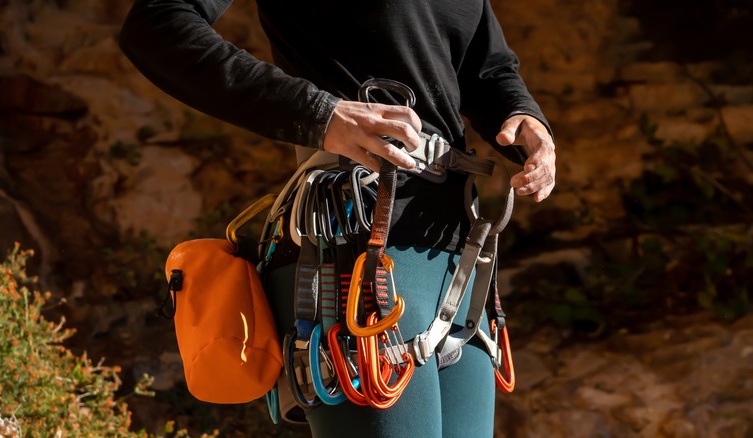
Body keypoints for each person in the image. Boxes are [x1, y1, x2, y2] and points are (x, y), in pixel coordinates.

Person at [119, 1, 556, 437]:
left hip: (457, 258)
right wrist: (320, 113)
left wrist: (524, 116)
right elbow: (158, 23)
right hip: (347, 244)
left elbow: (488, 69)